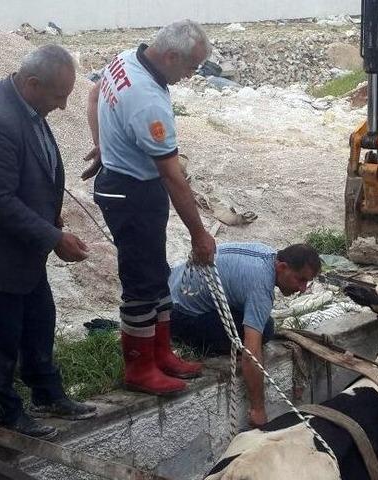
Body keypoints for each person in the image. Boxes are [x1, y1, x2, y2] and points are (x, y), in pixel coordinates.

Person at [0, 45, 96, 439]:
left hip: (21, 249)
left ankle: (46, 393)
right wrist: (54, 236)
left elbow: (35, 172)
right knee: (0, 335)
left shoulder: (26, 107)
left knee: (39, 319)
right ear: (32, 83)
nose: (63, 107)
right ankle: (5, 411)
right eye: (59, 97)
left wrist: (52, 215)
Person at [84, 19, 217, 396]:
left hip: (128, 181)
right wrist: (199, 233)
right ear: (171, 56)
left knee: (156, 273)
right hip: (132, 193)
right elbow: (174, 177)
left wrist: (101, 145)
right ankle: (139, 367)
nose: (190, 76)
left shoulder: (125, 59)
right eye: (190, 67)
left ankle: (161, 352)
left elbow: (94, 95)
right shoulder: (148, 101)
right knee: (141, 283)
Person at [168, 243, 321, 427]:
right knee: (265, 330)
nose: (304, 289)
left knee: (263, 322)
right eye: (300, 280)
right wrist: (258, 409)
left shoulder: (268, 254)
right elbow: (251, 353)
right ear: (282, 267)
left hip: (174, 285)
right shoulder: (261, 287)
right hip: (179, 315)